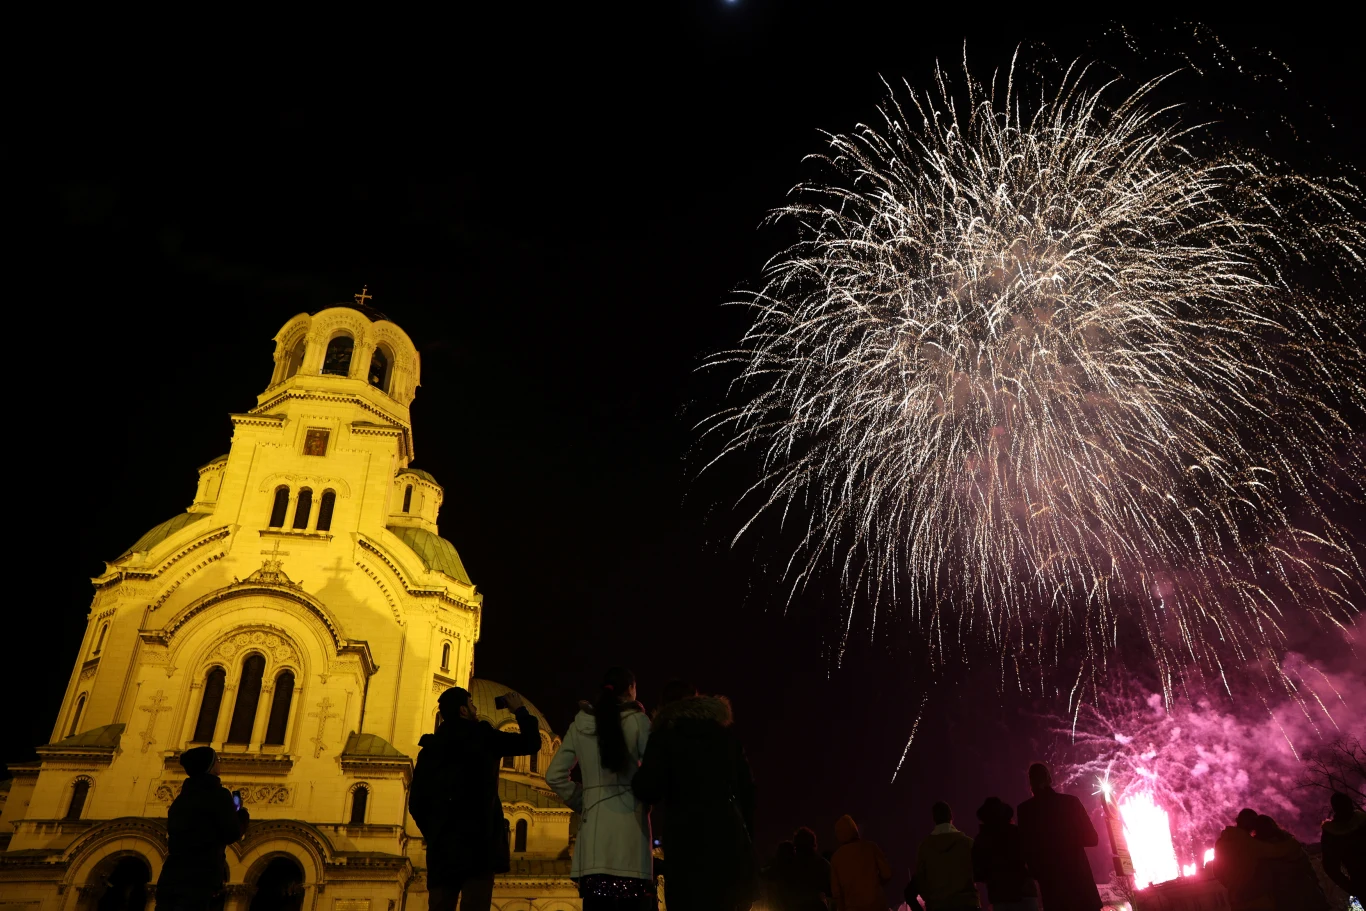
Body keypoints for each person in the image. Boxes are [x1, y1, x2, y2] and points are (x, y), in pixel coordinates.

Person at [409, 685, 542, 911]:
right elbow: (531, 743)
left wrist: (435, 833)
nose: (475, 707)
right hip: (479, 849)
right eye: (471, 704)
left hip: (442, 852)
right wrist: (519, 710)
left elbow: (416, 802)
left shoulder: (430, 748)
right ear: (463, 710)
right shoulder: (483, 737)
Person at [631, 687, 757, 911]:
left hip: (686, 848)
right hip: (728, 846)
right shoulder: (724, 734)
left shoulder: (664, 736)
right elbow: (748, 792)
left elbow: (647, 789)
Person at [546, 667, 654, 910]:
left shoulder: (580, 724)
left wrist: (584, 801)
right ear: (631, 690)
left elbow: (554, 775)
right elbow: (654, 772)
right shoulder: (639, 722)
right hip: (631, 838)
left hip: (593, 843)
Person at [155, 746, 249, 911]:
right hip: (200, 876)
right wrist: (241, 815)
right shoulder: (218, 795)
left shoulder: (181, 800)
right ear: (210, 766)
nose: (220, 763)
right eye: (217, 760)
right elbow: (231, 833)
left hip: (171, 875)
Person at [1015, 763, 1100, 911]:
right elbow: (1092, 839)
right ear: (1049, 779)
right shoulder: (1071, 802)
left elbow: (1026, 850)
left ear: (1030, 782)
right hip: (1081, 887)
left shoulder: (1025, 810)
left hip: (1052, 890)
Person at [1212, 808, 1296, 911]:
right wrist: (1291, 842)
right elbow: (1275, 851)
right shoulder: (1247, 842)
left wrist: (1232, 884)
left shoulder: (1221, 843)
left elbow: (1216, 871)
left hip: (1236, 902)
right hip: (1256, 900)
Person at [907, 801, 979, 911]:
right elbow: (979, 872)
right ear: (951, 817)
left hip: (937, 905)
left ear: (934, 819)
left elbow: (920, 881)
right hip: (967, 904)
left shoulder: (925, 847)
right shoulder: (967, 843)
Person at [971, 797, 1037, 911]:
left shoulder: (981, 840)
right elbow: (1032, 858)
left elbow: (977, 874)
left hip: (1000, 896)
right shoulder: (1017, 832)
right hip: (1024, 893)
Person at [1253, 814, 1328, 911]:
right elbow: (1308, 867)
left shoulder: (1260, 853)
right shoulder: (1290, 843)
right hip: (1307, 893)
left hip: (1284, 899)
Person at [830, 814, 891, 911]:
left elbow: (837, 893)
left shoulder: (836, 858)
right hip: (877, 906)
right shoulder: (871, 847)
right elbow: (887, 874)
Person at [1321, 792, 1365, 904]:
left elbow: (1330, 867)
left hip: (1361, 883)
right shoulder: (1363, 821)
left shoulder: (1331, 834)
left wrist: (1352, 888)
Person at [791, 826, 834, 911]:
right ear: (813, 844)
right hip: (817, 906)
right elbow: (831, 889)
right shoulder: (822, 864)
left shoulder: (789, 865)